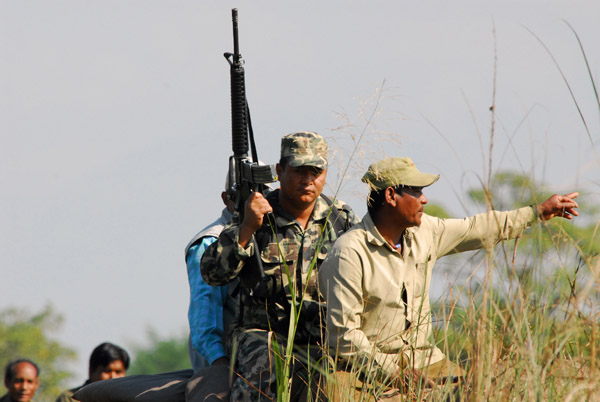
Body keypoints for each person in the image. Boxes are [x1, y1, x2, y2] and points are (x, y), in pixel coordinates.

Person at [318, 156, 579, 400]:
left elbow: (477, 228)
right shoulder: (349, 252)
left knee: (483, 392)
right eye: (417, 191)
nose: (425, 200)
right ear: (390, 196)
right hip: (364, 372)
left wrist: (538, 211)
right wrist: (394, 374)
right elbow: (343, 335)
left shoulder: (426, 231)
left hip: (426, 363)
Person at [201, 131, 359, 401]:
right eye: (299, 170)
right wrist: (247, 228)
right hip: (264, 333)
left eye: (316, 171)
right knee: (262, 376)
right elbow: (213, 273)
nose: (308, 180)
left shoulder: (340, 218)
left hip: (322, 334)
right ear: (279, 170)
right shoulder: (257, 213)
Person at [185, 182, 237, 369]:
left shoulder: (270, 235)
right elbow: (204, 323)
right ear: (226, 198)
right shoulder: (210, 242)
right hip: (221, 366)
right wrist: (220, 365)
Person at [55, 342, 129, 402]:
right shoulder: (70, 398)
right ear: (92, 370)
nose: (113, 377)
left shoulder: (129, 399)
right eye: (107, 371)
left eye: (118, 372)